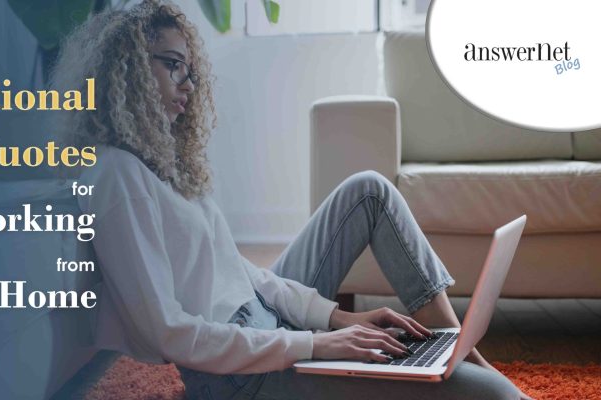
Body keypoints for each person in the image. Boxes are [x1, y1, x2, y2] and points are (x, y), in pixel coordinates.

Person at [51, 1, 527, 398]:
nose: (188, 85)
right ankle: (466, 368)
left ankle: (454, 349)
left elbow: (241, 273)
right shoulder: (115, 173)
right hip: (240, 376)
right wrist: (315, 345)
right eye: (172, 64)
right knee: (493, 397)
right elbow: (168, 332)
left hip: (267, 328)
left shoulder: (163, 164)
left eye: (190, 70)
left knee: (369, 190)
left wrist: (335, 317)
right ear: (126, 69)